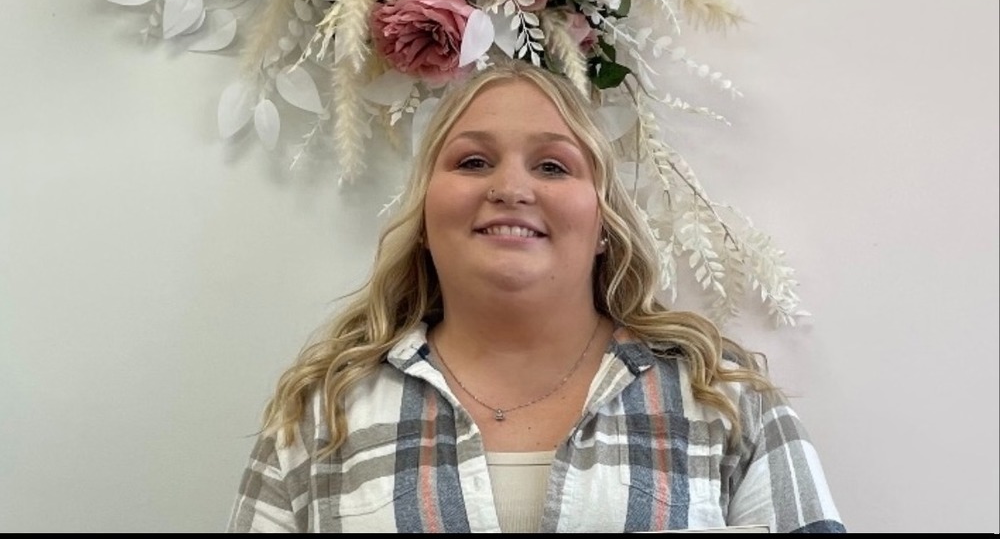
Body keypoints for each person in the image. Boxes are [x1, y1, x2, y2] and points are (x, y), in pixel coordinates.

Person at [226, 60, 845, 533]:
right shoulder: (323, 413)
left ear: (604, 222)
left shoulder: (725, 400)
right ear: (424, 212)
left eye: (553, 167)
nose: (510, 187)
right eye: (472, 162)